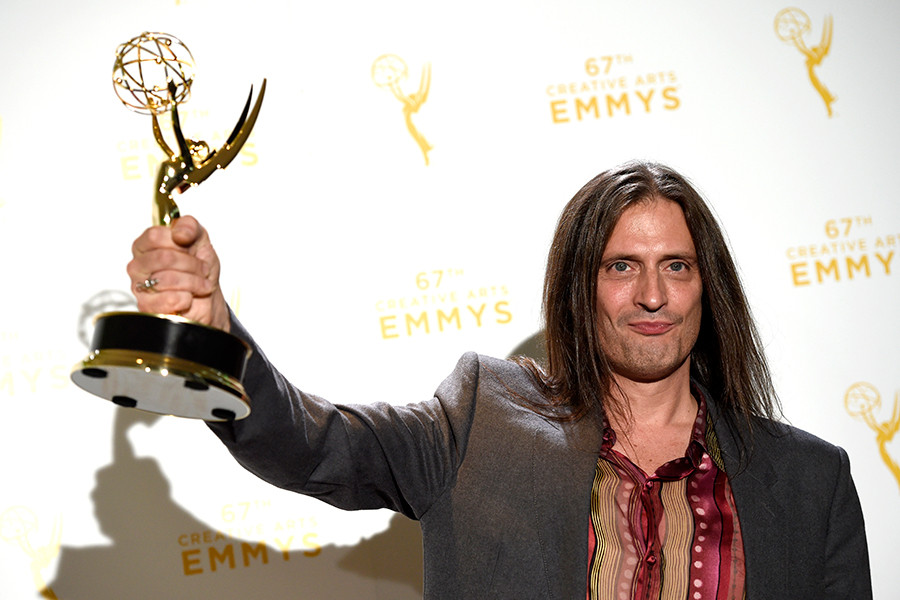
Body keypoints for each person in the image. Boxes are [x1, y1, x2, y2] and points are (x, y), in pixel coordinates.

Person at [127, 160, 871, 599]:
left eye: (675, 266)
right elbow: (315, 445)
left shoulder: (811, 480)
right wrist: (215, 332)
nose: (652, 295)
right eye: (622, 266)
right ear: (580, 287)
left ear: (708, 286)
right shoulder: (482, 421)